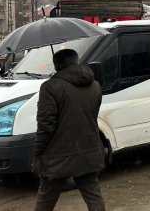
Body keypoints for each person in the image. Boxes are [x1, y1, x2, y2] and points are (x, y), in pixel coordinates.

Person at [33, 49, 106, 211]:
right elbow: (92, 116)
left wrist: (38, 152)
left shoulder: (50, 87)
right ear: (76, 60)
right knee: (94, 196)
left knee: (45, 201)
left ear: (56, 65)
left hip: (58, 156)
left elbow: (45, 126)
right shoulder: (94, 85)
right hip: (89, 150)